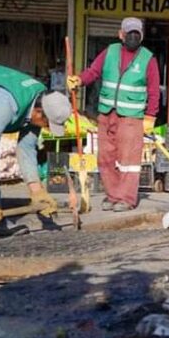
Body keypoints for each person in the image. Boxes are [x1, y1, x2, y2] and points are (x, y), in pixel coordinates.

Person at [67, 16, 160, 212]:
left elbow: (153, 90)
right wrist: (79, 80)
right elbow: (93, 72)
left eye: (137, 34)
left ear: (141, 36)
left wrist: (151, 116)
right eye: (130, 33)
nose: (133, 37)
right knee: (105, 158)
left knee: (128, 160)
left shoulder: (148, 59)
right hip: (106, 114)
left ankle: (126, 198)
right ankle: (113, 195)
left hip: (131, 117)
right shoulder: (109, 52)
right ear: (121, 34)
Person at [0, 61, 71, 227]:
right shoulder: (6, 103)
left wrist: (37, 192)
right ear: (39, 112)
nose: (48, 128)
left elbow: (26, 148)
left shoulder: (41, 99)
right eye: (48, 124)